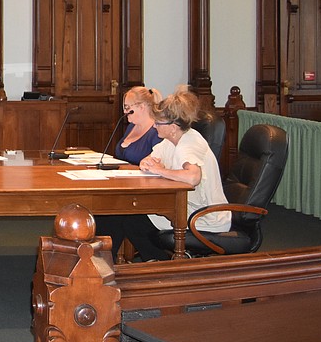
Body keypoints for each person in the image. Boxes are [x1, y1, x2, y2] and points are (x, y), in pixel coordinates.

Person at [95, 86, 231, 261]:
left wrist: (160, 170)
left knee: (127, 216)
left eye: (158, 123)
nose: (155, 126)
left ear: (173, 126)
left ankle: (156, 262)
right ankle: (104, 261)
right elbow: (149, 160)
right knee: (118, 210)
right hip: (181, 205)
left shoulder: (190, 142)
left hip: (203, 216)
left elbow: (193, 177)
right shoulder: (169, 140)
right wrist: (148, 163)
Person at [114, 86, 163, 165]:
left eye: (127, 107)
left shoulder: (157, 131)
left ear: (141, 107)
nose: (124, 111)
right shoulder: (131, 127)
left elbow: (158, 161)